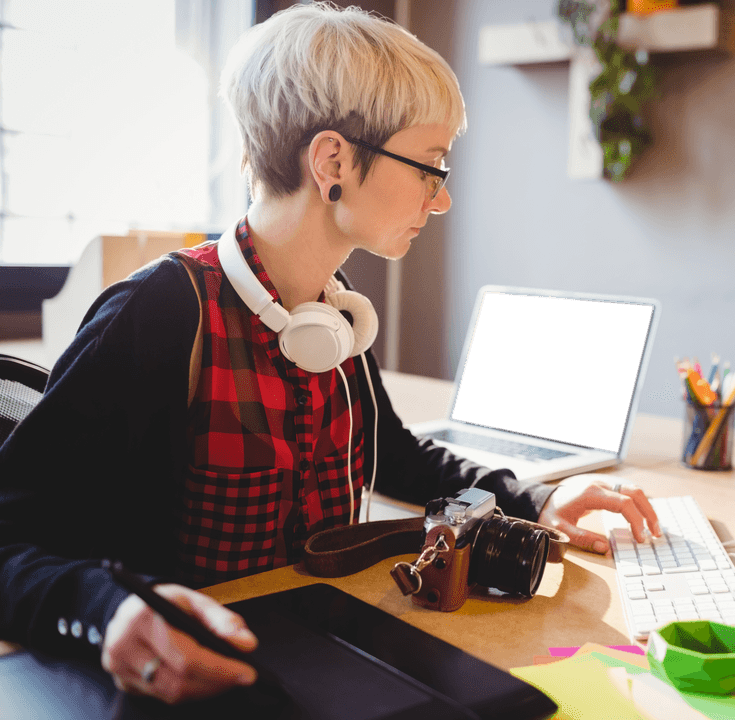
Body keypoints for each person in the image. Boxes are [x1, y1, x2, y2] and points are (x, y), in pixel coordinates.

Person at [0, 3, 660, 706]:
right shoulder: (160, 313)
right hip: (200, 677)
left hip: (327, 642)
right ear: (333, 162)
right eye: (430, 167)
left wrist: (538, 498)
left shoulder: (334, 315)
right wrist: (106, 610)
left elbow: (397, 455)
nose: (440, 202)